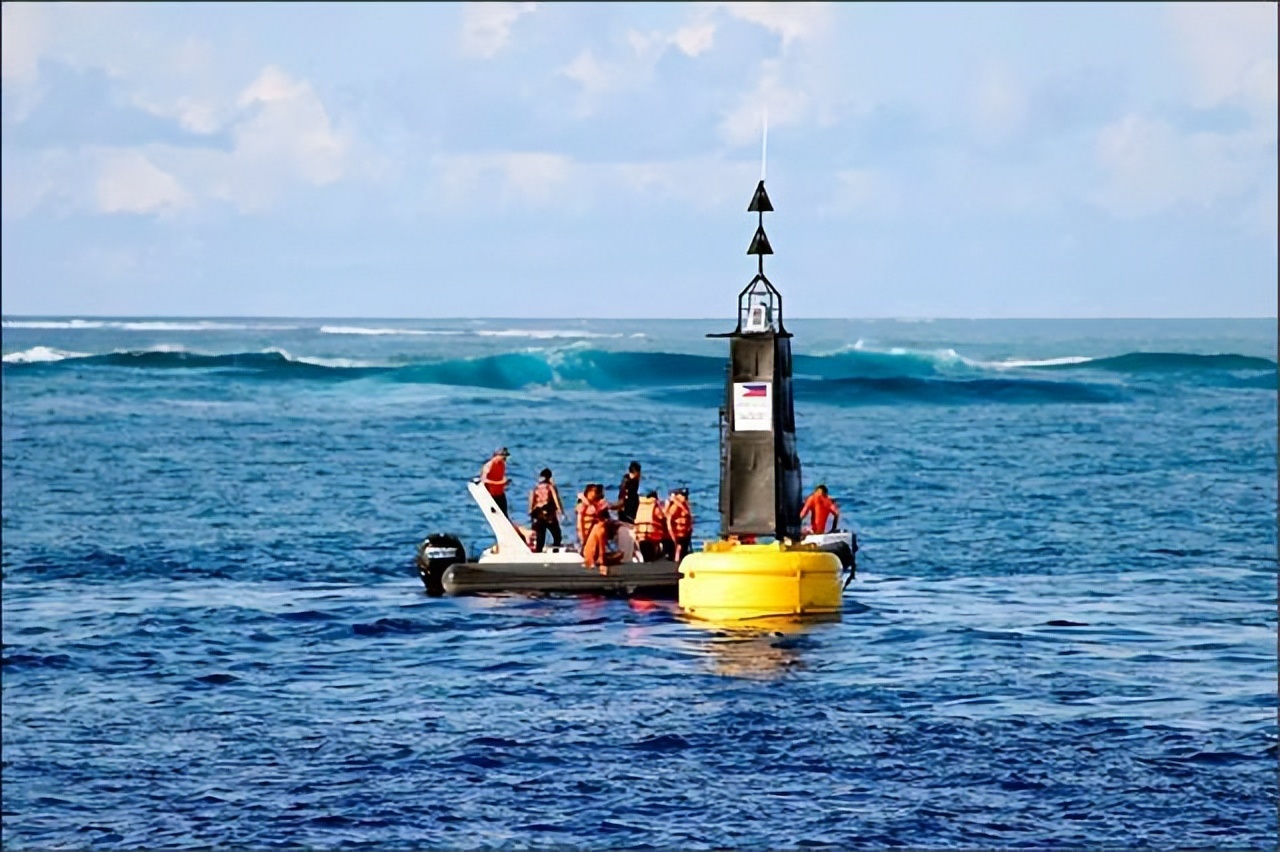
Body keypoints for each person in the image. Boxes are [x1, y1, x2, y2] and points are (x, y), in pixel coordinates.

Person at [528, 467, 565, 552]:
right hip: (549, 513)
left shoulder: (537, 487)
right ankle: (556, 551)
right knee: (557, 535)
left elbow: (531, 498)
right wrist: (560, 510)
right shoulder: (550, 487)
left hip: (538, 513)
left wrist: (530, 511)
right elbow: (556, 498)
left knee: (540, 535)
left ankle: (538, 551)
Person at [633, 490, 667, 562]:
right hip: (652, 537)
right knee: (651, 556)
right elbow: (661, 517)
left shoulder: (640, 506)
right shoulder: (655, 506)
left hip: (640, 536)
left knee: (646, 556)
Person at [480, 447, 511, 517]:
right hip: (491, 495)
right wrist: (499, 483)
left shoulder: (502, 465)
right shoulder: (489, 465)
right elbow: (483, 480)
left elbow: (501, 477)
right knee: (495, 515)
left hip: (500, 493)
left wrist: (505, 483)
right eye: (503, 457)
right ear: (497, 455)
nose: (505, 459)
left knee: (504, 514)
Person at [665, 487, 693, 561]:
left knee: (681, 550)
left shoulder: (684, 505)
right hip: (677, 533)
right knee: (678, 549)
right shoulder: (676, 506)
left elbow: (689, 519)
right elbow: (669, 520)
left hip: (683, 533)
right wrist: (672, 536)